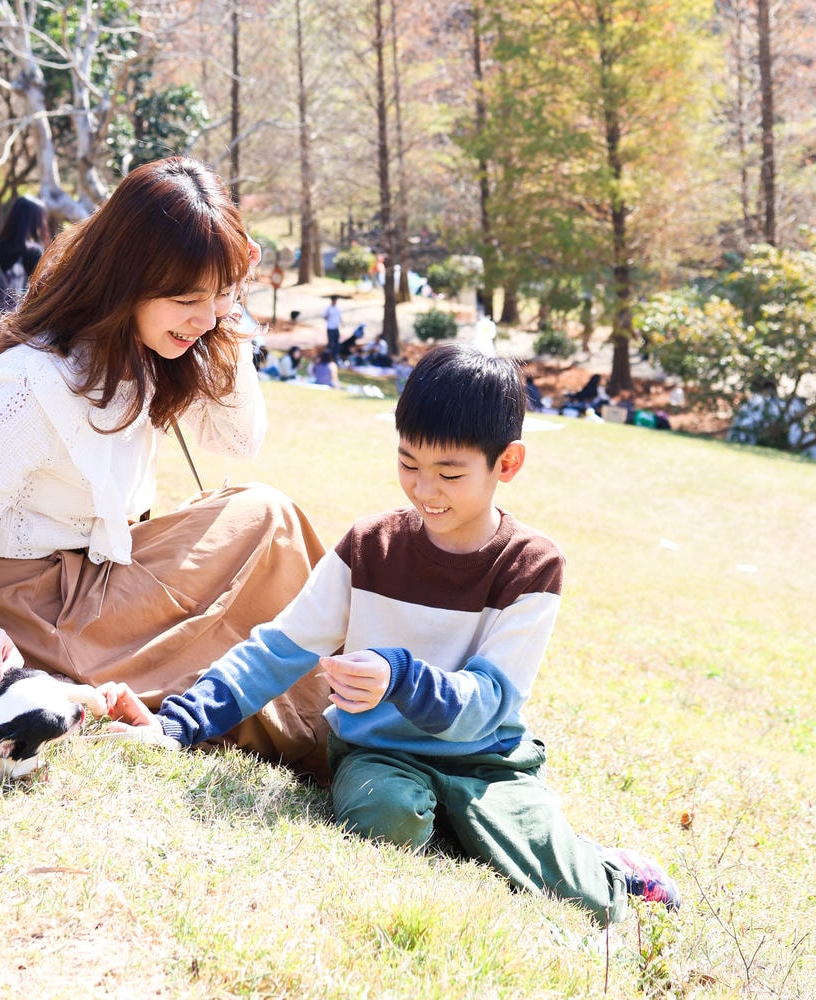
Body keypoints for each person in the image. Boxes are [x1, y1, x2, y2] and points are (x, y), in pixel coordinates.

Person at [103, 342, 679, 925]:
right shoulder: (368, 546)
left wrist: (400, 677)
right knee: (386, 819)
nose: (424, 490)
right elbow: (278, 649)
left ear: (506, 464)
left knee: (583, 898)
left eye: (449, 473)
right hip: (378, 755)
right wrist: (177, 725)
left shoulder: (532, 566)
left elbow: (487, 703)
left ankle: (601, 863)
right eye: (408, 464)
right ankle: (462, 828)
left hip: (488, 764)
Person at [0, 157, 329, 777]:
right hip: (28, 600)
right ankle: (319, 720)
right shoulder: (34, 381)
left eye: (219, 296)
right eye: (186, 299)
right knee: (224, 630)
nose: (204, 319)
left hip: (103, 571)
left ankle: (353, 696)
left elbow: (238, 438)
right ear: (126, 281)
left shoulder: (154, 345)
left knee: (268, 516)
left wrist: (229, 304)